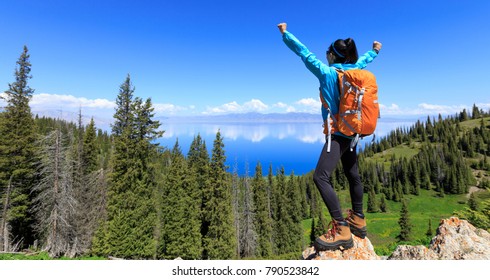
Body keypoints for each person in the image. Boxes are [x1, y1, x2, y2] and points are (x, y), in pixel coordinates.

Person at [277, 22, 382, 251]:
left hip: (337, 134)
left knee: (320, 177)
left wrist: (285, 34)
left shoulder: (326, 72)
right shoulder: (354, 71)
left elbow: (303, 53)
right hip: (353, 132)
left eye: (327, 53)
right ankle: (358, 219)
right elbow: (364, 60)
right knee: (352, 174)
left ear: (332, 56)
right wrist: (374, 50)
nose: (325, 57)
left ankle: (342, 229)